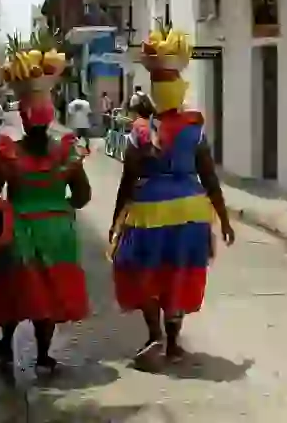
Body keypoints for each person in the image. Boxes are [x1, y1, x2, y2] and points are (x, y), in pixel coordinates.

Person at [111, 27, 235, 371]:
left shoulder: (140, 131)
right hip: (191, 210)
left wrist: (116, 218)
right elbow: (209, 176)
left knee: (141, 271)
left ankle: (155, 334)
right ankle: (175, 344)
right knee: (178, 273)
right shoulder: (194, 128)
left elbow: (128, 178)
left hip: (149, 211)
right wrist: (223, 219)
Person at [0, 39, 89, 372]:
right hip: (57, 230)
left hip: (19, 229)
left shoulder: (8, 155)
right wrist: (60, 204)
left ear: (24, 121)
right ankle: (43, 355)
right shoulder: (68, 153)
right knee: (50, 292)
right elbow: (83, 196)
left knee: (13, 286)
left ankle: (6, 344)